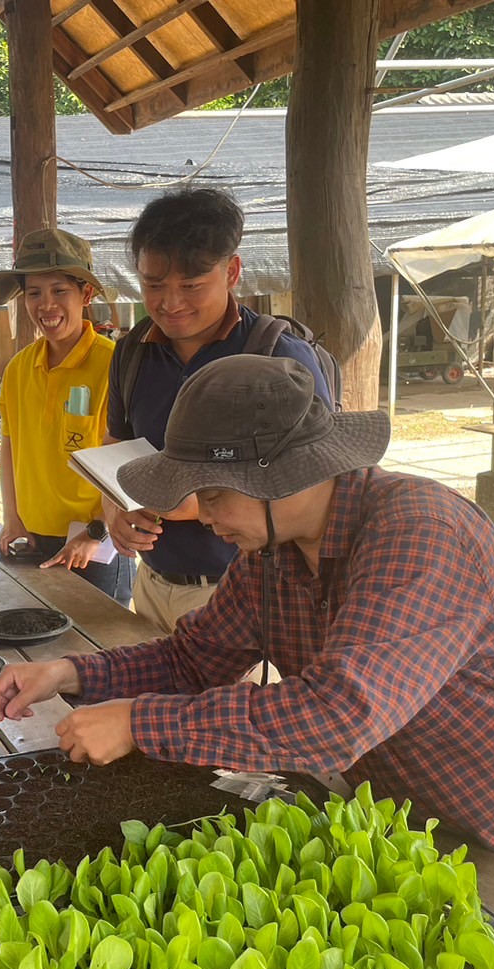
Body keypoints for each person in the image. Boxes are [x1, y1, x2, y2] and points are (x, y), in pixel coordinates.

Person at [0, 355, 494, 960]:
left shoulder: (416, 531)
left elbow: (339, 714)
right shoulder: (269, 557)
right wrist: (69, 672)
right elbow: (196, 659)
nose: (199, 511)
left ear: (279, 476)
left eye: (213, 491)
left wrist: (139, 722)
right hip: (432, 822)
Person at [105, 187, 332, 634]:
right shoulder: (132, 353)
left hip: (248, 591)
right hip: (151, 585)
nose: (170, 304)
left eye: (191, 286)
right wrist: (115, 511)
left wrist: (186, 504)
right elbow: (115, 448)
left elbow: (318, 484)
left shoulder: (278, 358)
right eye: (153, 285)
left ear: (231, 271)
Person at [0, 228, 132, 604]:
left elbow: (130, 464)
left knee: (99, 653)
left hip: (94, 545)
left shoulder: (114, 364)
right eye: (34, 293)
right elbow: (10, 447)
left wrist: (98, 531)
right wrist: (12, 517)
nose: (46, 305)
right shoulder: (19, 368)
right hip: (31, 537)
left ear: (85, 294)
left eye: (59, 291)